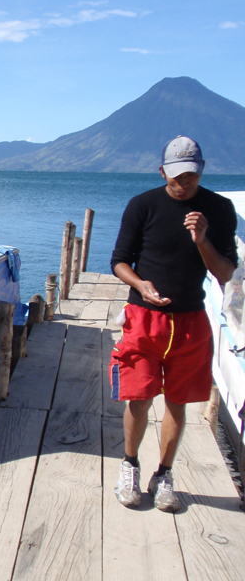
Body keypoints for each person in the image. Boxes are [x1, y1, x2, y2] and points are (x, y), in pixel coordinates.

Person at [110, 136, 237, 512]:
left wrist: (201, 240)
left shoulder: (218, 208)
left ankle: (163, 474)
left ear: (201, 170)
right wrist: (140, 285)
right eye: (179, 176)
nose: (186, 184)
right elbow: (119, 261)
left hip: (190, 321)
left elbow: (226, 273)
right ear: (163, 170)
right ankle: (130, 465)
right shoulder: (143, 205)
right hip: (144, 318)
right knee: (139, 396)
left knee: (178, 403)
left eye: (193, 176)